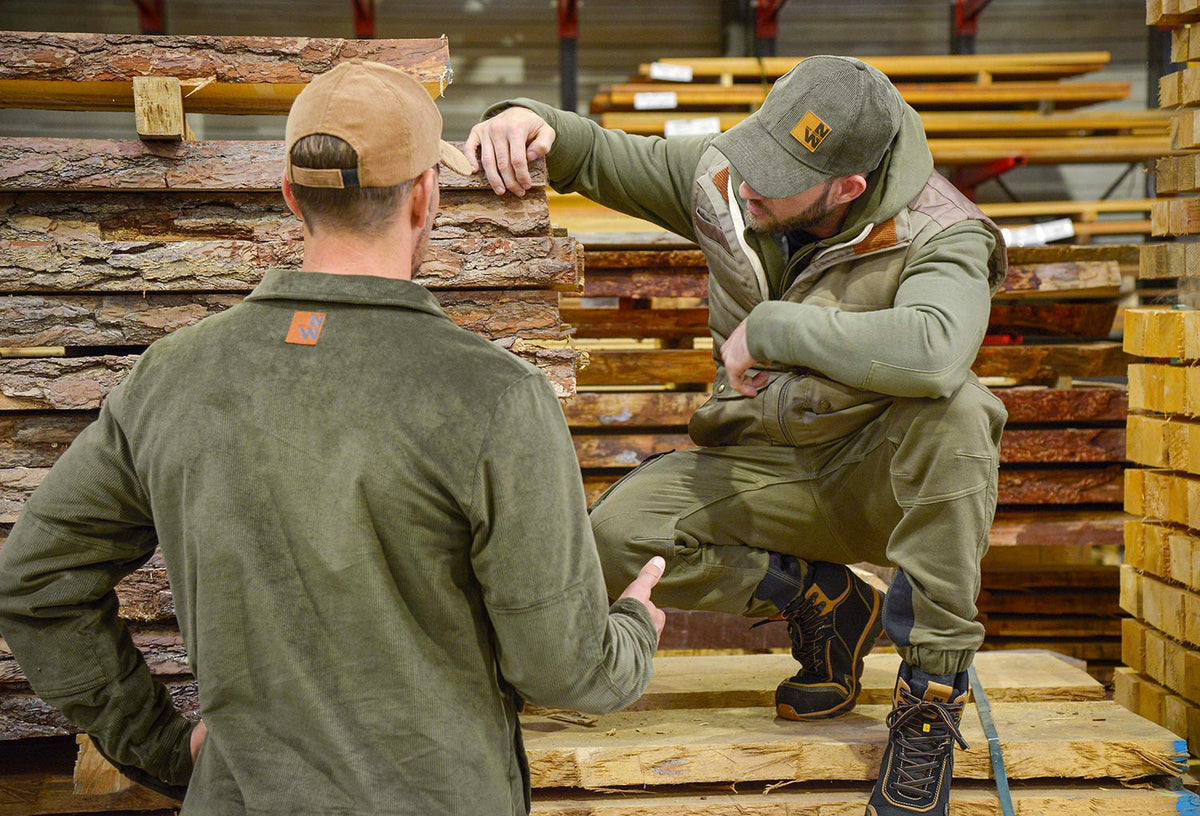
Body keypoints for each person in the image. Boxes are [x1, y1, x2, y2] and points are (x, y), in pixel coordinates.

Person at [0, 59, 667, 815]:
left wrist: (159, 743)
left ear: (290, 197)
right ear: (425, 196)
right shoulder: (495, 397)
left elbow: (34, 583)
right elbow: (562, 669)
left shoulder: (172, 376)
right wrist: (634, 629)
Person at [466, 55, 1006, 816]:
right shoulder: (728, 178)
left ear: (845, 188)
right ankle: (819, 598)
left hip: (877, 474)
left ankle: (929, 697)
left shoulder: (943, 232)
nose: (748, 182)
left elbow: (937, 349)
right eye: (755, 153)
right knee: (612, 546)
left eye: (777, 175)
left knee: (960, 413)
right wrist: (532, 122)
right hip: (761, 461)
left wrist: (774, 327)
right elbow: (595, 155)